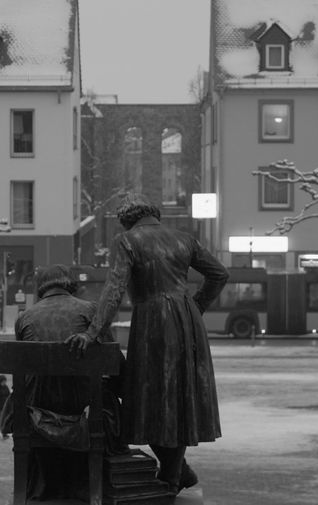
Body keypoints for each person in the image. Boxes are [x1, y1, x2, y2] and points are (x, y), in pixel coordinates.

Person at [66, 193, 228, 495]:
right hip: (187, 319)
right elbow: (219, 274)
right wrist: (195, 307)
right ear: (154, 215)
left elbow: (114, 290)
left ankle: (172, 473)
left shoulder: (128, 240)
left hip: (154, 321)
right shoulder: (184, 238)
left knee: (146, 394)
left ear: (127, 221)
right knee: (179, 396)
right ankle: (175, 471)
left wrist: (92, 333)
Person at [16, 264, 126, 500]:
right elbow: (114, 362)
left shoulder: (25, 318)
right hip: (84, 408)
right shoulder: (90, 311)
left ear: (40, 289)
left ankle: (46, 483)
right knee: (110, 398)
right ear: (70, 284)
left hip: (38, 409)